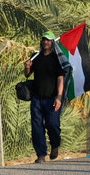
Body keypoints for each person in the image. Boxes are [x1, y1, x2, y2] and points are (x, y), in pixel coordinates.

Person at [23, 31, 71, 163]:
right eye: (44, 39)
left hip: (52, 99)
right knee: (37, 127)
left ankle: (55, 145)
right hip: (37, 99)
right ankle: (41, 155)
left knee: (53, 125)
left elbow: (60, 78)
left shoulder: (56, 59)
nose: (46, 42)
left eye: (48, 40)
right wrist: (27, 67)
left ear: (52, 42)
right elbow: (27, 74)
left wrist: (59, 97)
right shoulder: (35, 57)